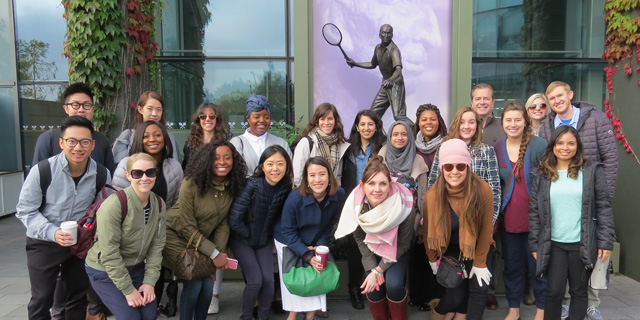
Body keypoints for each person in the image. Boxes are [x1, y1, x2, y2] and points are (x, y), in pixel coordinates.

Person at [30, 83, 114, 320]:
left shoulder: (101, 155)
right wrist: (51, 231)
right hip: (46, 237)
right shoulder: (46, 151)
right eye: (75, 105)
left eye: (86, 105)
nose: (78, 147)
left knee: (76, 296)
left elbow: (103, 199)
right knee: (42, 298)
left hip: (80, 237)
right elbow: (27, 207)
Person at [537, 81, 618, 320]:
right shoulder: (547, 125)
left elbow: (611, 160)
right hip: (563, 200)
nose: (556, 101)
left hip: (591, 197)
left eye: (560, 95)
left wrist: (603, 196)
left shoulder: (595, 119)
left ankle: (590, 304)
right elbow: (545, 164)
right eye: (551, 98)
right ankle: (564, 305)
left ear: (570, 94)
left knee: (590, 259)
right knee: (562, 266)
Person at [162, 140, 247, 320]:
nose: (222, 162)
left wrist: (219, 254)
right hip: (173, 235)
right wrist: (214, 254)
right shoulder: (191, 183)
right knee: (193, 282)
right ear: (207, 160)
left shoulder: (231, 186)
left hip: (200, 243)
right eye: (216, 158)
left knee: (208, 285)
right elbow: (186, 225)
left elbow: (223, 224)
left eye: (227, 158)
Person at [427, 107, 502, 310]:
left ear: (478, 125)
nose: (467, 126)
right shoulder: (445, 147)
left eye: (471, 122)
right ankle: (449, 312)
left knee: (478, 288)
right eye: (463, 121)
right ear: (456, 125)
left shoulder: (485, 150)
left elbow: (494, 189)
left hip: (477, 224)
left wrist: (488, 223)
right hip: (450, 226)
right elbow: (434, 181)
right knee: (457, 291)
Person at [85, 153, 166, 320]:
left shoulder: (158, 203)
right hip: (105, 269)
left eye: (150, 172)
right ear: (128, 175)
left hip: (135, 267)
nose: (144, 178)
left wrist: (150, 282)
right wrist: (128, 290)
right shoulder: (114, 205)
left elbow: (157, 246)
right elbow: (110, 253)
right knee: (131, 317)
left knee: (149, 315)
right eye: (138, 173)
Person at [335, 155, 414, 320]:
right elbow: (360, 240)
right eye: (371, 183)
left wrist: (378, 271)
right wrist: (372, 269)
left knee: (393, 285)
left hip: (397, 249)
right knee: (374, 288)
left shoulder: (404, 205)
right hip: (371, 248)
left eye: (382, 183)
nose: (377, 189)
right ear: (362, 186)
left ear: (390, 185)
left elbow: (404, 244)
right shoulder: (356, 206)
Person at [493, 102, 547, 320]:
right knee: (512, 267)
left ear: (525, 121)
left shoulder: (540, 146)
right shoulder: (497, 148)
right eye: (508, 120)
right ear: (502, 122)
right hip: (510, 223)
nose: (513, 124)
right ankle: (513, 309)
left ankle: (541, 311)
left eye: (517, 119)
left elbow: (550, 182)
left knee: (540, 269)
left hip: (537, 223)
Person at [274, 157, 346, 320]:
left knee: (317, 274)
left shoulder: (339, 194)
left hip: (316, 239)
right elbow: (287, 231)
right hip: (288, 240)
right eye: (312, 175)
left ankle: (310, 316)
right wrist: (306, 254)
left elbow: (329, 225)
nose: (317, 179)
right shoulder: (295, 198)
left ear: (329, 176)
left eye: (322, 174)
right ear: (306, 179)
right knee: (296, 279)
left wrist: (319, 248)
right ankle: (291, 317)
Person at [228, 145, 293, 320]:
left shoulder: (286, 187)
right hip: (242, 239)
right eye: (270, 163)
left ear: (287, 166)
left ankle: (263, 316)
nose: (275, 168)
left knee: (269, 282)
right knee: (255, 281)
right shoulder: (251, 185)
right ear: (262, 166)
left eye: (280, 163)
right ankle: (246, 317)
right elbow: (234, 219)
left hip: (263, 239)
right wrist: (249, 235)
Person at [340, 109, 386, 310]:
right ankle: (354, 289)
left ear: (376, 127)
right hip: (354, 203)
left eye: (371, 124)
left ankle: (377, 290)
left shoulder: (383, 147)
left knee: (376, 246)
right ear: (357, 127)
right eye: (363, 124)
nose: (366, 128)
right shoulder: (348, 149)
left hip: (377, 203)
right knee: (354, 249)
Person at [409, 103, 448, 311]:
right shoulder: (411, 146)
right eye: (424, 119)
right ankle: (417, 296)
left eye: (432, 119)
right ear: (418, 123)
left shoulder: (448, 144)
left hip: (441, 207)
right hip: (415, 207)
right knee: (417, 252)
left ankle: (435, 297)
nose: (428, 123)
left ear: (439, 121)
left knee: (436, 251)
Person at [32, 82, 115, 173]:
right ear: (66, 109)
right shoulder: (49, 138)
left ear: (93, 109)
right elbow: (38, 177)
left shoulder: (102, 140)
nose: (81, 110)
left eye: (86, 105)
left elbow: (109, 180)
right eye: (75, 105)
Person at [346, 24, 413, 126]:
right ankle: (381, 139)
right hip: (385, 84)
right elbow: (372, 64)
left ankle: (418, 133)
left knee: (399, 116)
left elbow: (398, 69)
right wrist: (355, 64)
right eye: (383, 33)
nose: (386, 35)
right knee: (373, 115)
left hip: (395, 84)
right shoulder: (377, 48)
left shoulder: (394, 50)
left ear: (392, 35)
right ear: (379, 34)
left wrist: (390, 80)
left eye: (388, 33)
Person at [112, 120, 183, 208]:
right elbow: (117, 202)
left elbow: (178, 204)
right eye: (145, 136)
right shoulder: (125, 165)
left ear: (165, 138)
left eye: (157, 135)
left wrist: (166, 220)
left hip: (165, 220)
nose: (152, 139)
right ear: (139, 139)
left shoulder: (174, 166)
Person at [231, 94, 293, 176]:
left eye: (266, 117)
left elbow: (290, 172)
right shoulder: (237, 143)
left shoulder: (281, 144)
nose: (262, 120)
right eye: (256, 117)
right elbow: (236, 173)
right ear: (248, 118)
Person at [112, 91, 180, 164]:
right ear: (140, 109)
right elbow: (118, 167)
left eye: (158, 110)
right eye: (149, 109)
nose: (154, 114)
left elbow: (175, 164)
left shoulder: (168, 136)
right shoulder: (128, 136)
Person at [292, 102, 350, 187]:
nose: (326, 123)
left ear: (335, 121)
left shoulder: (339, 145)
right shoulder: (306, 143)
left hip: (331, 196)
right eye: (322, 119)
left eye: (330, 119)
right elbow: (298, 175)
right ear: (317, 121)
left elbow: (338, 176)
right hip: (310, 194)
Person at [183, 102, 227, 169]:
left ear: (217, 120)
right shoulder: (189, 145)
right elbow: (185, 170)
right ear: (199, 120)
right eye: (203, 116)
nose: (207, 119)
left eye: (212, 116)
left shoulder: (223, 145)